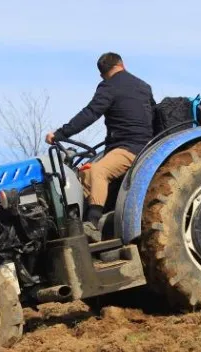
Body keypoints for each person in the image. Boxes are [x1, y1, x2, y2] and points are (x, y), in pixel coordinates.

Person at [46, 52, 155, 241]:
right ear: (122, 64)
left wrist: (60, 134)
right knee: (84, 174)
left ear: (102, 74)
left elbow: (90, 113)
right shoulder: (144, 86)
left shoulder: (110, 86)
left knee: (98, 171)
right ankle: (74, 226)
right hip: (143, 145)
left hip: (129, 148)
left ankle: (92, 224)